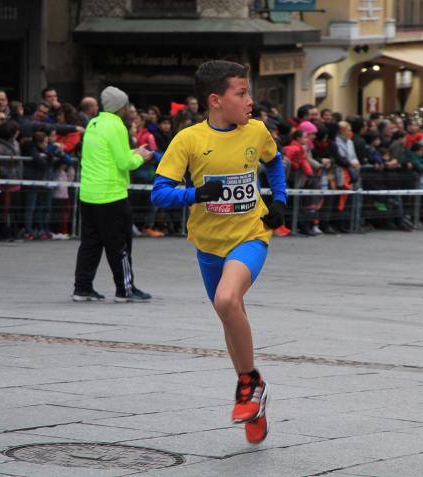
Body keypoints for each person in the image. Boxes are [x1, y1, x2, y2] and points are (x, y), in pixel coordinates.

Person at [151, 60, 287, 444]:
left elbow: (275, 163)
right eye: (241, 93)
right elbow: (159, 193)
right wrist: (196, 194)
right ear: (215, 100)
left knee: (228, 299)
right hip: (208, 246)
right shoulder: (189, 140)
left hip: (251, 235)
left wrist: (280, 199)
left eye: (248, 92)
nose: (250, 101)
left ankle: (249, 385)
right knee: (230, 315)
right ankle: (254, 401)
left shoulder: (257, 131)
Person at [73, 85, 154, 303]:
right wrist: (140, 157)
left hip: (89, 193)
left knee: (90, 243)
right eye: (126, 104)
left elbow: (108, 156)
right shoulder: (117, 126)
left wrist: (133, 151)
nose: (129, 108)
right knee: (120, 244)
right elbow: (124, 162)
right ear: (120, 106)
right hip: (112, 195)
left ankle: (82, 287)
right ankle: (125, 289)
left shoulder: (94, 123)